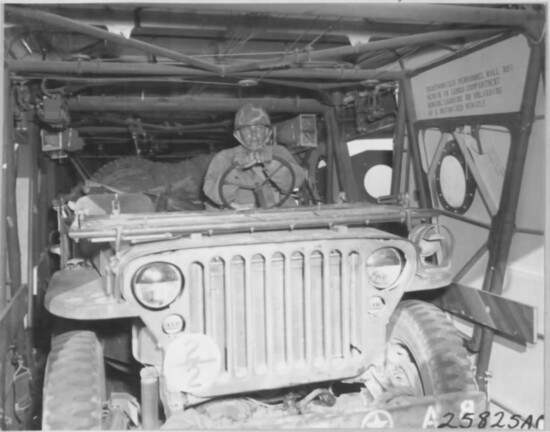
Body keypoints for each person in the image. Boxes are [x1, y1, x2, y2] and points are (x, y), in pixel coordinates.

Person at [203, 103, 305, 209]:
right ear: (238, 134)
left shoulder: (279, 151)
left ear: (267, 132)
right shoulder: (224, 157)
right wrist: (235, 170)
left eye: (259, 128)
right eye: (247, 129)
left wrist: (272, 164)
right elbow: (215, 196)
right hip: (242, 219)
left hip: (278, 215)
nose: (254, 134)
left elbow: (296, 182)